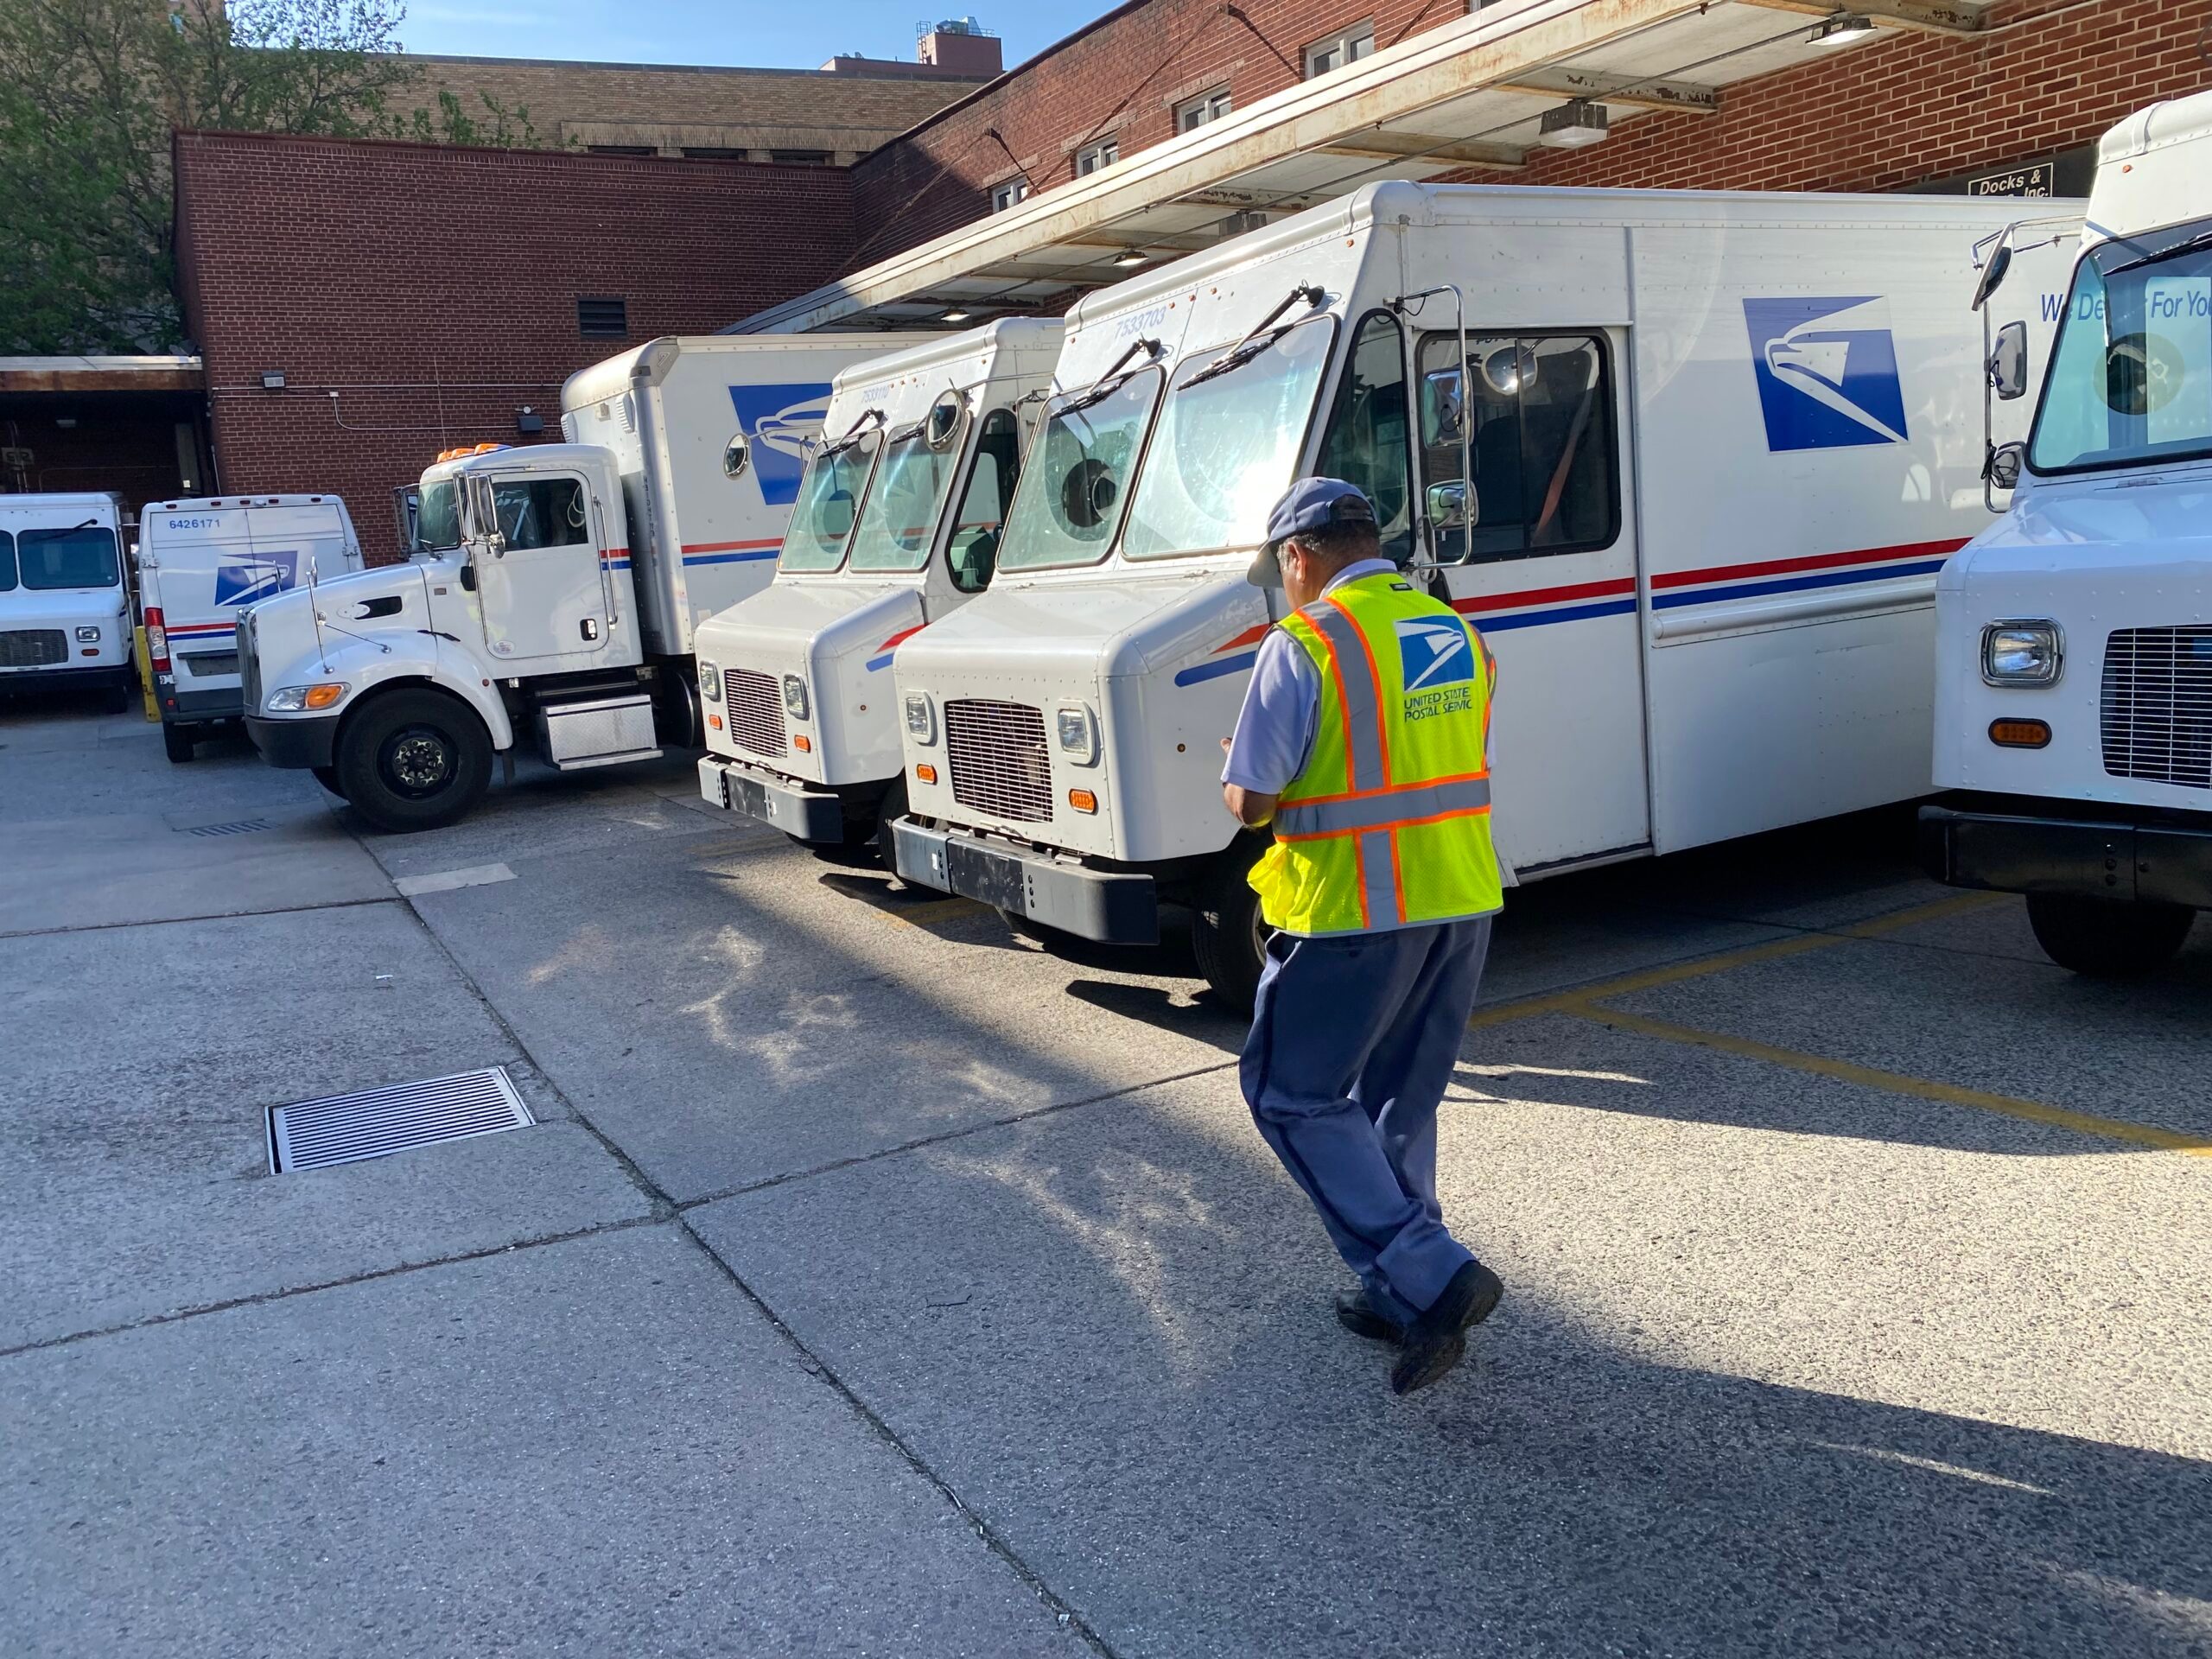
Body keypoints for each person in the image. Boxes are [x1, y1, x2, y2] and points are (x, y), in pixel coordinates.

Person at [1221, 477, 1505, 1396]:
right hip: (1459, 896)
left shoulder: (1305, 641)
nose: (1285, 583)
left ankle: (1428, 1276)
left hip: (1353, 908)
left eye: (1284, 568)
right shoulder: (1450, 630)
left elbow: (1252, 798)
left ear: (1299, 557)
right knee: (1397, 1100)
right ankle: (1397, 1291)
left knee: (1290, 1093)